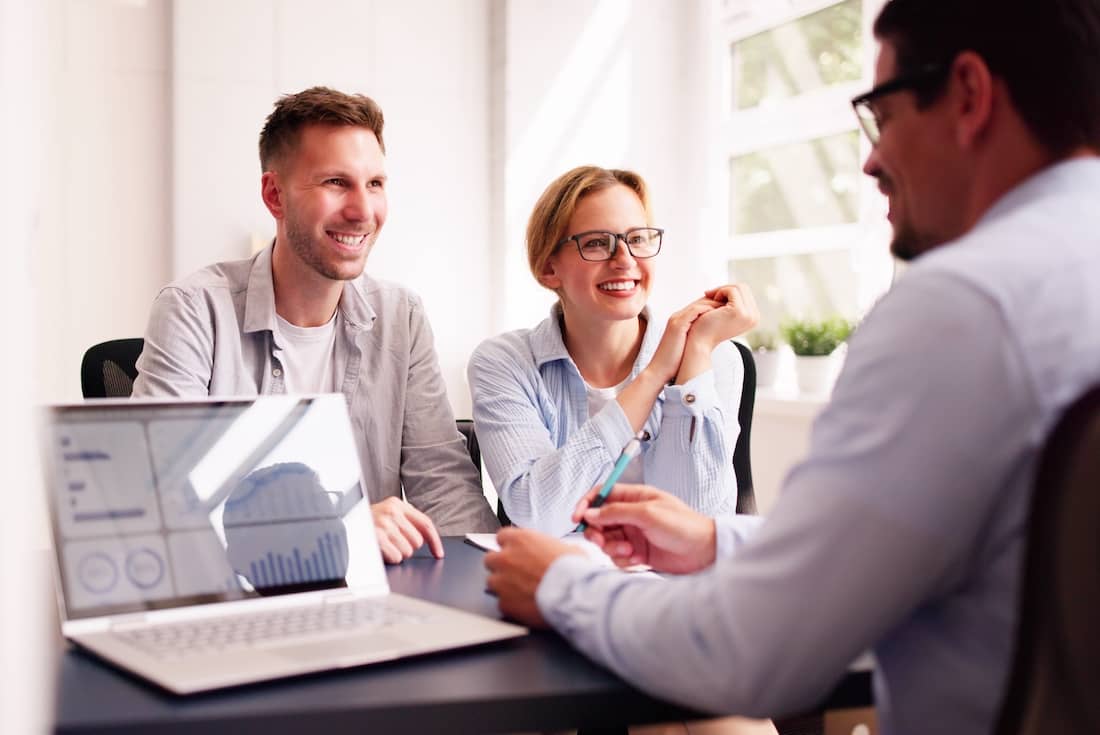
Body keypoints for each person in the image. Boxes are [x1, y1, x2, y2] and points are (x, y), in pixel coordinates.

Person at [482, 1, 1100, 733]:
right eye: (596, 244)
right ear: (549, 265)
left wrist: (563, 584)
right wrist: (718, 540)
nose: (869, 159)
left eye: (882, 113)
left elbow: (755, 648)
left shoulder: (961, 307)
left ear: (968, 94)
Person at [134, 87, 499, 563]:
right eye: (335, 183)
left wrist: (495, 580)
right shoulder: (195, 310)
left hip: (370, 605)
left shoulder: (401, 317)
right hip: (235, 601)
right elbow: (161, 498)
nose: (363, 211)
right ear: (274, 195)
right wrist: (339, 528)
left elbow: (444, 485)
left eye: (375, 184)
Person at [468, 166, 760, 535]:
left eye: (637, 239)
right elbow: (537, 514)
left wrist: (694, 358)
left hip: (670, 589)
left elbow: (695, 521)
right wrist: (654, 376)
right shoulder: (505, 362)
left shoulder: (714, 357)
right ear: (548, 268)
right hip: (559, 583)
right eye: (595, 243)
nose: (624, 259)